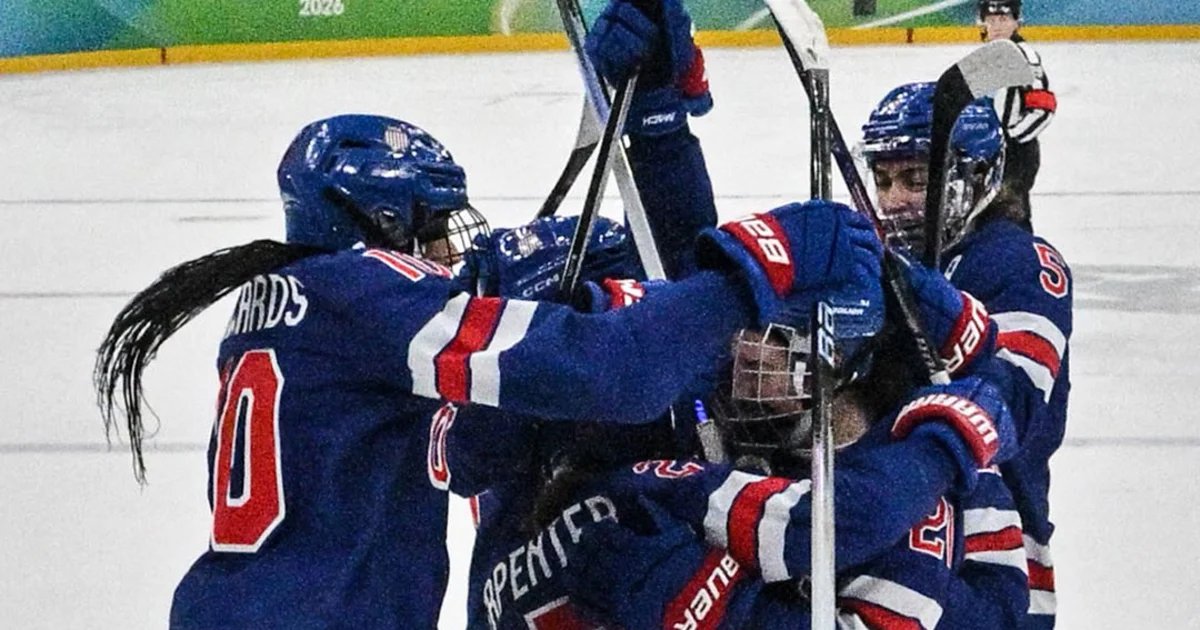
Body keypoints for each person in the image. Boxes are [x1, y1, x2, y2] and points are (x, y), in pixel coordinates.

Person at [91, 112, 883, 627]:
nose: (449, 254)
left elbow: (473, 449)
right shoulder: (366, 292)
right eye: (435, 231)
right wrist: (755, 267)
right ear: (383, 225)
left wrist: (658, 134)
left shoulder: (289, 308)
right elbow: (616, 371)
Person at [458, 296, 1031, 629]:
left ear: (845, 360)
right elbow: (815, 526)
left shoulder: (948, 490)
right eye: (748, 330)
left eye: (777, 339)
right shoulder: (636, 490)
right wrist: (950, 441)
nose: (744, 350)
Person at [860, 82, 1071, 627]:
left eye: (916, 179)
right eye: (883, 180)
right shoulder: (888, 264)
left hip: (993, 553)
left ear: (977, 176)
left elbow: (1014, 398)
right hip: (907, 534)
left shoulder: (1019, 261)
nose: (893, 199)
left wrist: (922, 301)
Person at [978, 0, 1057, 221]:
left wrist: (1011, 138)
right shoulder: (986, 57)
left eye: (1003, 19)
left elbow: (1043, 107)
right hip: (990, 152)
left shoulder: (1024, 57)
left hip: (1015, 155)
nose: (996, 26)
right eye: (991, 20)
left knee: (1011, 216)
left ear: (1016, 22)